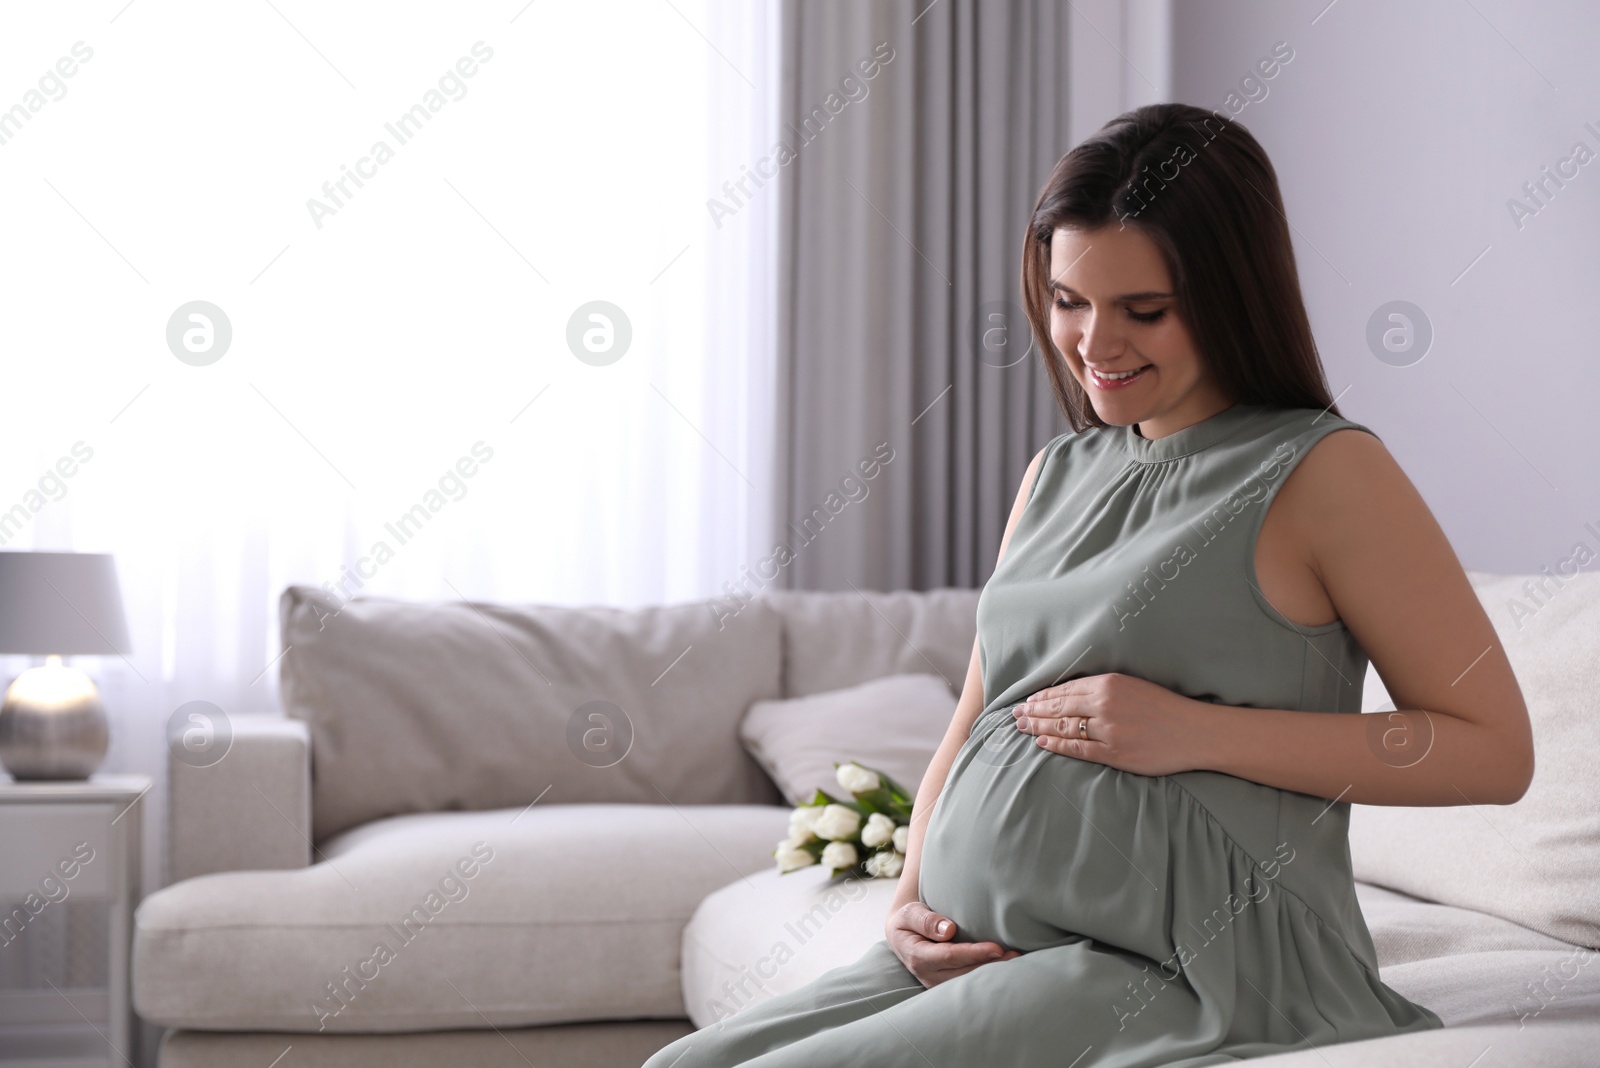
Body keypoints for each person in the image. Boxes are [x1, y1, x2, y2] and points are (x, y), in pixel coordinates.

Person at [643, 102, 1533, 1067]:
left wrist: (1195, 733)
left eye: (1143, 311)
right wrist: (907, 906)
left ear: (1232, 293)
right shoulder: (1056, 474)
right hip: (984, 948)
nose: (1094, 344)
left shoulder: (1323, 473)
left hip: (1190, 963)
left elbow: (1492, 752)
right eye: (1070, 300)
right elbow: (979, 714)